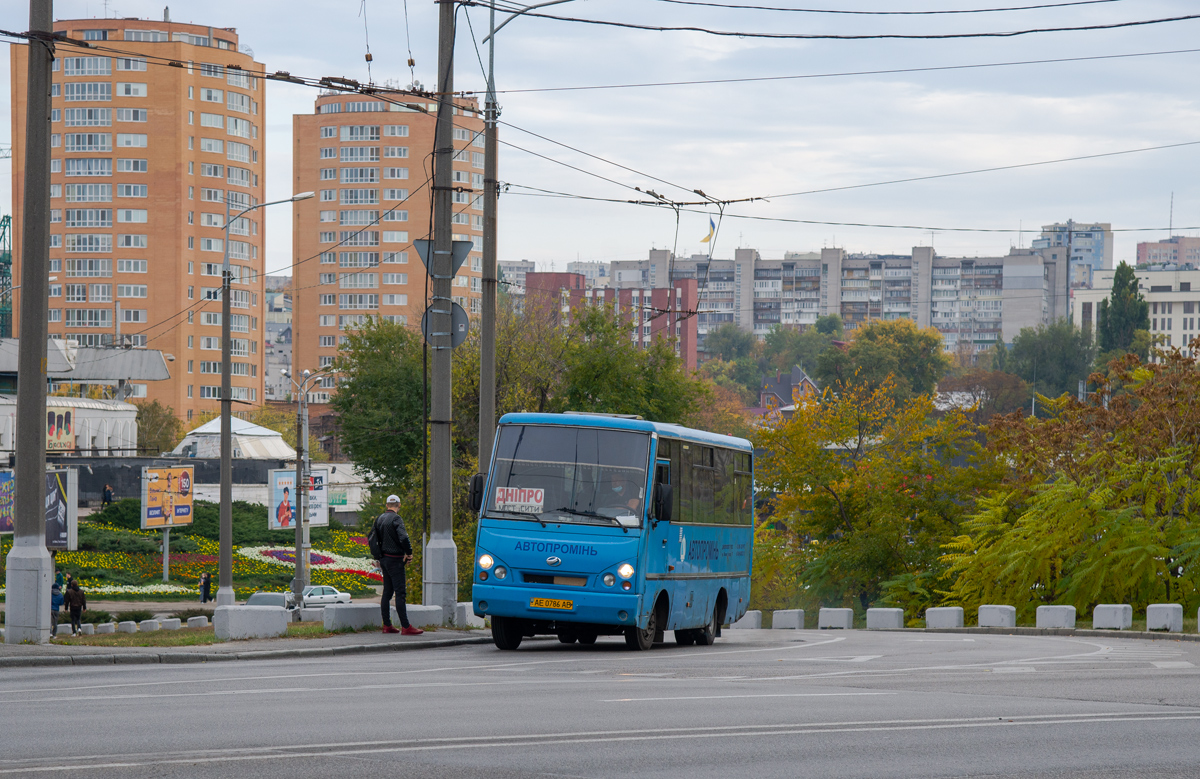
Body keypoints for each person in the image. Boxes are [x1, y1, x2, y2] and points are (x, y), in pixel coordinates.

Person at [374, 495, 423, 636]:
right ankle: (406, 627)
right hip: (395, 560)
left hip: (384, 559)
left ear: (386, 505)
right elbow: (403, 537)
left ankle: (387, 625)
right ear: (399, 505)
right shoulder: (396, 519)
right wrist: (409, 553)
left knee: (387, 593)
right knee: (400, 593)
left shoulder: (380, 519)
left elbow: (374, 539)